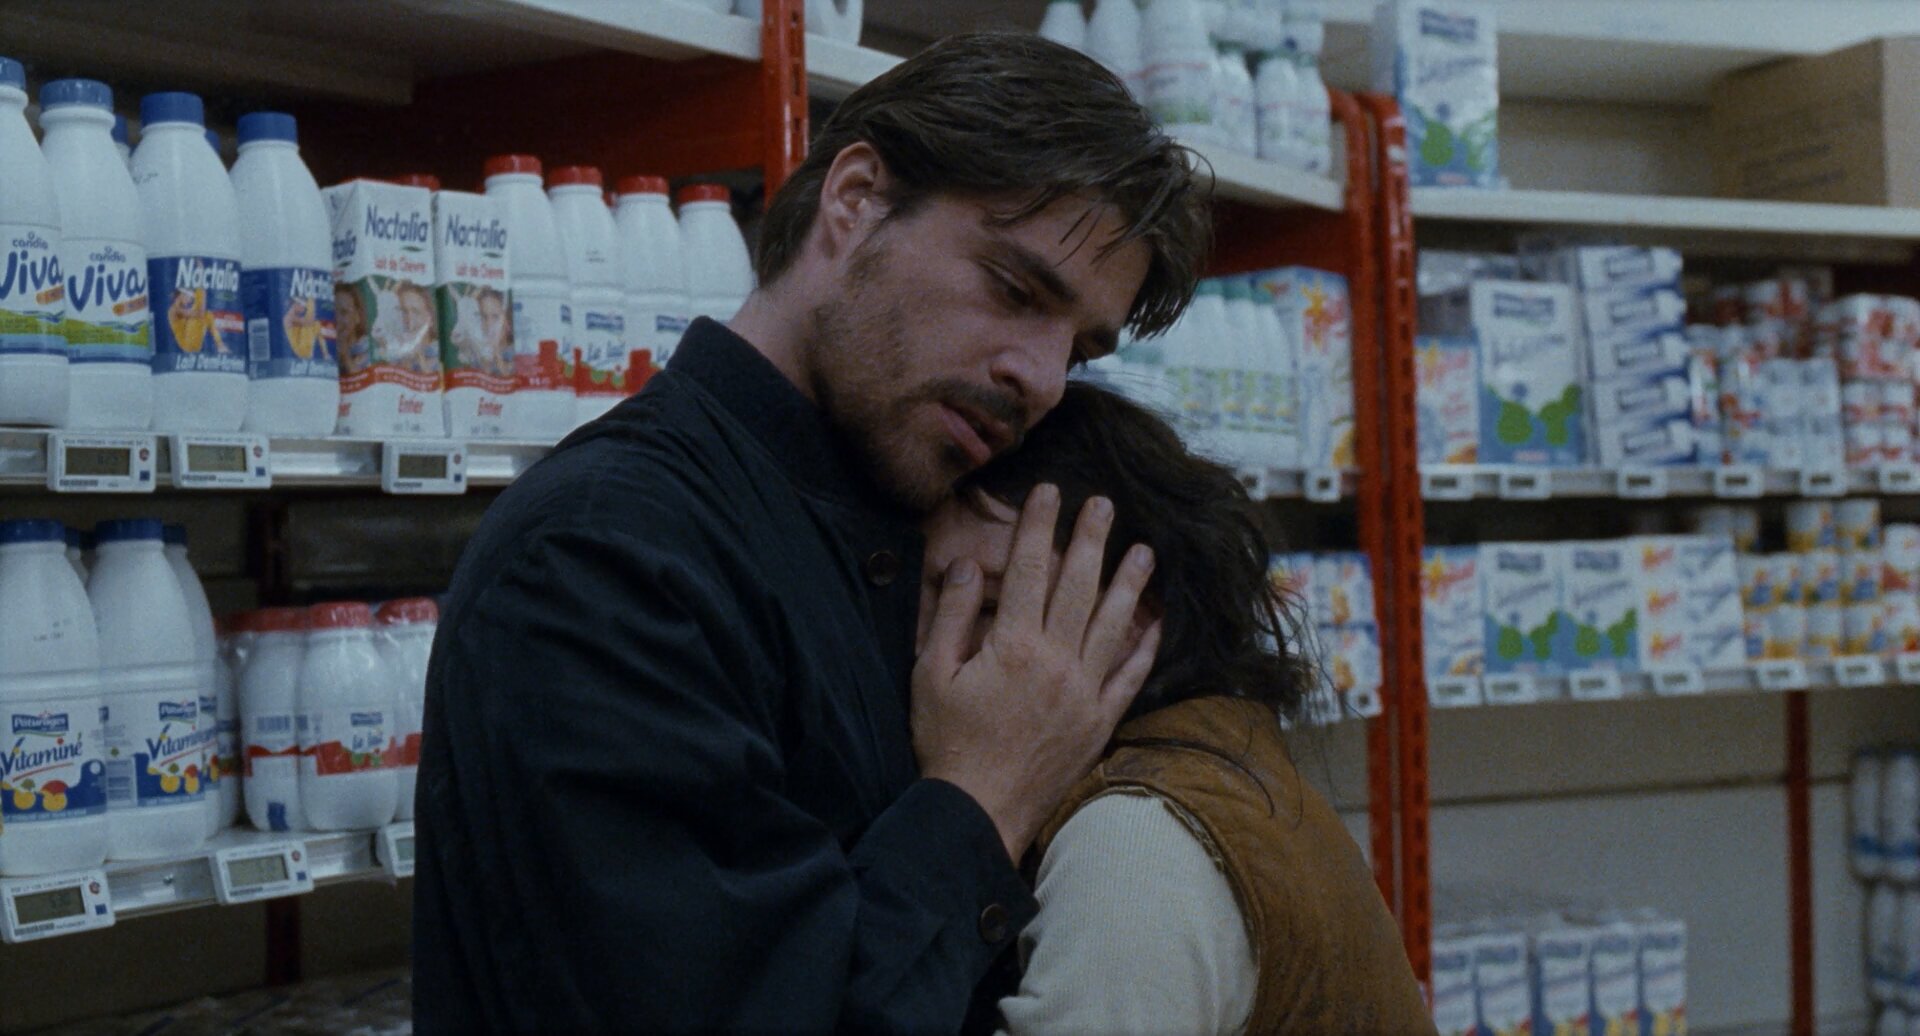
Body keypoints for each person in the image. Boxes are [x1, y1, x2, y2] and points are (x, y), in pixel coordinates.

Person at [412, 33, 1211, 1034]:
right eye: (1015, 290)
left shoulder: (900, 513)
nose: (1042, 379)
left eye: (1080, 349)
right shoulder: (602, 557)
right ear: (856, 199)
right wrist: (986, 794)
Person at [916, 382, 1436, 1035]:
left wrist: (969, 802)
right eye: (923, 598)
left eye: (993, 606)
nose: (931, 653)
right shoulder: (1216, 765)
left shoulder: (1134, 842)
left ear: (1139, 613)